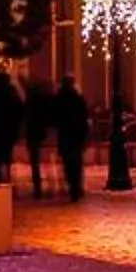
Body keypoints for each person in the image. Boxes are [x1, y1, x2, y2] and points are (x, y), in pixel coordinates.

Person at [50, 74, 91, 203]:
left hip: (66, 135)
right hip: (77, 136)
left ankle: (72, 187)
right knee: (77, 162)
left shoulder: (59, 99)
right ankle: (76, 187)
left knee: (68, 163)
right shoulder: (78, 98)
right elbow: (84, 117)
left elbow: (55, 117)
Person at [0, 67, 26, 185]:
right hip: (9, 129)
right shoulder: (11, 93)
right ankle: (6, 175)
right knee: (6, 154)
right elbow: (21, 109)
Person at [23, 77, 54, 198]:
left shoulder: (31, 101)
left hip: (33, 132)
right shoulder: (45, 100)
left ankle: (38, 186)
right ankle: (49, 185)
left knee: (35, 161)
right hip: (42, 132)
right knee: (46, 161)